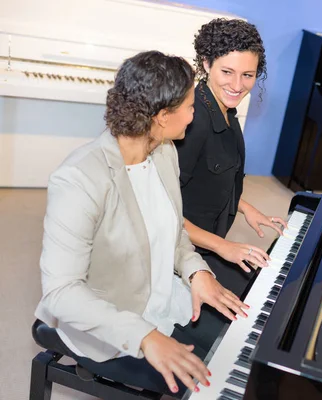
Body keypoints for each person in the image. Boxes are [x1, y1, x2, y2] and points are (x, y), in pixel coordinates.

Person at [34, 50, 248, 397]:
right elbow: (60, 293)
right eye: (190, 106)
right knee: (217, 382)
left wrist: (197, 272)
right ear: (163, 116)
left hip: (164, 298)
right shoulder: (78, 180)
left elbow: (173, 228)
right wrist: (144, 336)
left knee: (240, 346)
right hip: (110, 325)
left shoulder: (163, 151)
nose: (195, 114)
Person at [175, 18, 287, 344]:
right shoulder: (191, 123)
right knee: (244, 323)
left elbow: (211, 181)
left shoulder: (227, 111)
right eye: (228, 72)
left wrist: (246, 208)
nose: (238, 85)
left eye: (248, 75)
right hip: (179, 253)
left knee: (263, 293)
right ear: (206, 63)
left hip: (205, 243)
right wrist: (225, 247)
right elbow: (160, 212)